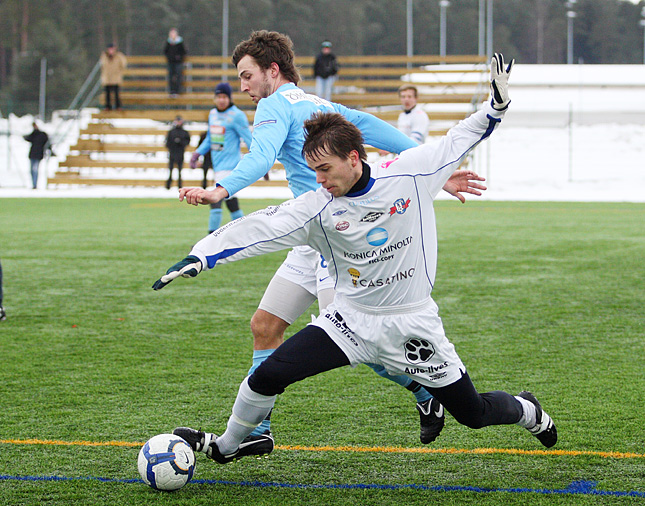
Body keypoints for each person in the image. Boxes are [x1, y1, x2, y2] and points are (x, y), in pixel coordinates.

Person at [155, 54, 558, 465]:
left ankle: (526, 409)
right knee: (267, 374)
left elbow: (459, 137)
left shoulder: (409, 173)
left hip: (412, 322)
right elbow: (260, 228)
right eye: (313, 171)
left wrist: (495, 107)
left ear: (353, 158)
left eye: (325, 169)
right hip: (349, 321)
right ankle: (229, 445)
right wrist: (201, 256)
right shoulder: (317, 204)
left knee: (473, 414)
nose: (319, 180)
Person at [189, 82, 252, 233]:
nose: (222, 100)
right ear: (214, 98)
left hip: (230, 168)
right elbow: (210, 138)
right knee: (232, 204)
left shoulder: (237, 115)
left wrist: (260, 160)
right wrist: (197, 153)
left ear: (230, 98)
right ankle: (246, 235)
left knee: (214, 201)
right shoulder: (213, 114)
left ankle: (210, 239)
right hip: (218, 166)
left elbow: (248, 138)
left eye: (225, 97)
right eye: (219, 96)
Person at [165, 116, 191, 189]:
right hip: (172, 153)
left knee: (180, 171)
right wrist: (173, 144)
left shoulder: (184, 132)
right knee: (170, 170)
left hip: (180, 153)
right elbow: (167, 143)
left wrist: (181, 143)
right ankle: (168, 186)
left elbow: (187, 142)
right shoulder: (171, 132)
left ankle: (180, 185)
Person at [100, 43, 127, 111]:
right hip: (107, 77)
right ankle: (108, 107)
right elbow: (102, 66)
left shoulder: (119, 56)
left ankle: (118, 106)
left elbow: (123, 64)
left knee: (116, 93)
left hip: (116, 77)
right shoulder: (104, 56)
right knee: (107, 93)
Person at [23, 122, 49, 189]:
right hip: (33, 154)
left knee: (35, 170)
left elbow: (47, 143)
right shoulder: (34, 134)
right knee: (32, 170)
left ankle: (35, 184)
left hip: (38, 154)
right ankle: (33, 184)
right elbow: (28, 138)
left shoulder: (42, 135)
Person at [164, 28, 187, 97]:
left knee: (178, 76)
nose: (172, 35)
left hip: (178, 62)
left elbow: (183, 52)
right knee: (171, 77)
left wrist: (179, 57)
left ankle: (178, 91)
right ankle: (171, 91)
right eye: (171, 33)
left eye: (174, 33)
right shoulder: (168, 42)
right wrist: (169, 57)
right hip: (170, 62)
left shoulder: (180, 42)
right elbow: (165, 51)